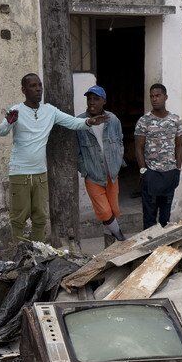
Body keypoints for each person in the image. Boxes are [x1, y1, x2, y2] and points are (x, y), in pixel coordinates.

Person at [0, 73, 107, 242]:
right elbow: (2, 131)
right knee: (18, 219)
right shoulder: (16, 110)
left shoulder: (49, 111)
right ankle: (19, 255)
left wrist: (89, 122)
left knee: (40, 218)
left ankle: (37, 254)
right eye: (33, 86)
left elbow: (72, 122)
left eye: (39, 85)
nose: (38, 88)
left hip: (40, 173)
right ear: (23, 90)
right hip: (19, 173)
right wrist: (9, 122)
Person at [74, 85, 126, 246]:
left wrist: (117, 162)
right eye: (89, 99)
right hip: (93, 175)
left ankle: (109, 247)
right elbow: (76, 151)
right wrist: (85, 170)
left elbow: (120, 142)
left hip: (112, 173)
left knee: (114, 211)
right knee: (104, 211)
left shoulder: (113, 120)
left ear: (104, 101)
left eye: (96, 99)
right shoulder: (80, 122)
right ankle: (121, 239)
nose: (91, 102)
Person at [134, 83, 182, 228]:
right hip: (151, 174)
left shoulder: (175, 120)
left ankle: (163, 249)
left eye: (158, 96)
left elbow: (179, 146)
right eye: (152, 96)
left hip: (170, 173)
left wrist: (178, 169)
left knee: (165, 218)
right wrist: (144, 171)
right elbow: (138, 148)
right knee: (149, 218)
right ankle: (150, 249)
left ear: (165, 97)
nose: (154, 99)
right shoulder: (144, 121)